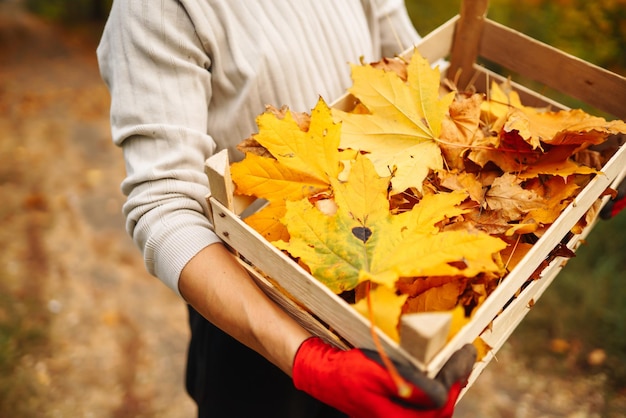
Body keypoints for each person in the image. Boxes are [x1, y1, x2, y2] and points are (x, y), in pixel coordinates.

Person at [96, 1, 477, 417]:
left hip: (389, 262)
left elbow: (415, 76)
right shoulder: (157, 10)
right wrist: (309, 361)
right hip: (257, 313)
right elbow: (163, 205)